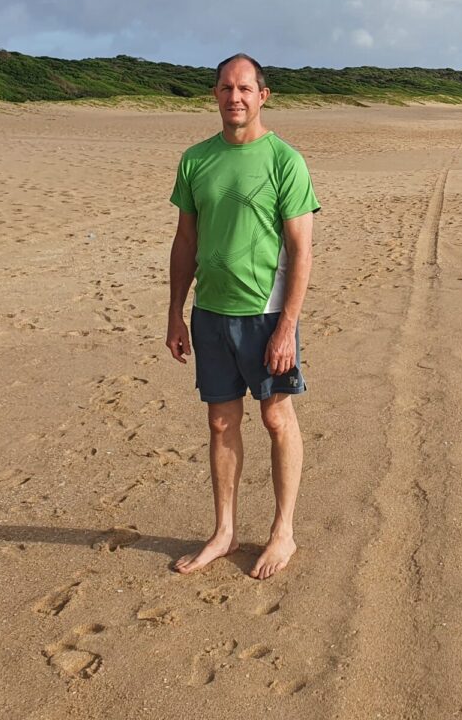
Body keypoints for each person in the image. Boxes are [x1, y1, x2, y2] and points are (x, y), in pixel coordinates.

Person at [166, 53, 319, 579]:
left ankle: (283, 533)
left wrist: (286, 327)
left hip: (266, 313)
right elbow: (185, 241)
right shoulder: (195, 160)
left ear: (263, 96)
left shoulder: (285, 161)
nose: (235, 97)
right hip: (210, 312)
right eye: (227, 88)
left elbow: (302, 250)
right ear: (216, 94)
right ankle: (225, 531)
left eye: (245, 88)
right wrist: (175, 313)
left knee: (276, 417)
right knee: (220, 421)